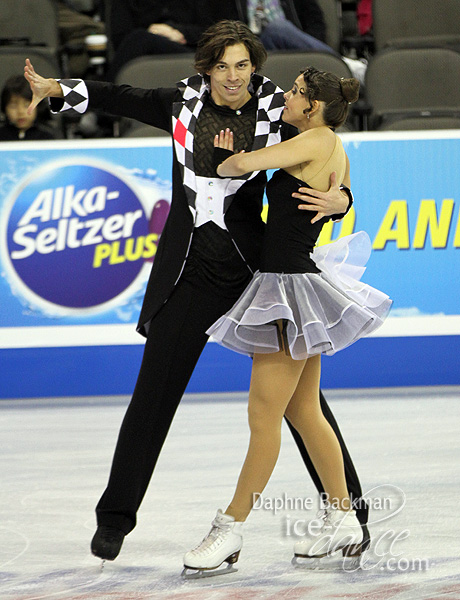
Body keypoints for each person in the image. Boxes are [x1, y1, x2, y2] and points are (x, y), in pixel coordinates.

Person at [24, 20, 368, 564]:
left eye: (243, 66)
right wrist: (57, 92)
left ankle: (352, 512)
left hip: (256, 273)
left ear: (255, 67)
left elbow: (326, 150)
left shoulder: (280, 107)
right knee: (153, 395)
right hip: (190, 273)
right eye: (222, 66)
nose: (233, 77)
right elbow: (118, 95)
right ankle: (114, 519)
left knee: (301, 403)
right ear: (204, 67)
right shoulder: (181, 102)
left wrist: (343, 199)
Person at [183, 67, 391, 574]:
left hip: (288, 289)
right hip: (296, 285)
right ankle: (342, 516)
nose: (288, 97)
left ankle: (229, 529)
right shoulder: (331, 144)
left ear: (313, 105)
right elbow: (338, 198)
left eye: (296, 92)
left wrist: (224, 150)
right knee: (304, 413)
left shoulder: (314, 139)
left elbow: (241, 165)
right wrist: (342, 202)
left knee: (263, 417)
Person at [107, 0, 215, 80]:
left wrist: (178, 32)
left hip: (192, 51)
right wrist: (155, 33)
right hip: (141, 53)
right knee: (140, 38)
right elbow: (120, 38)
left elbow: (219, 31)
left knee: (142, 38)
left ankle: (102, 100)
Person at [0, 76, 56, 141]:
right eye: (13, 106)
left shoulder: (47, 136)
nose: (20, 112)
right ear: (4, 108)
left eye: (26, 105)